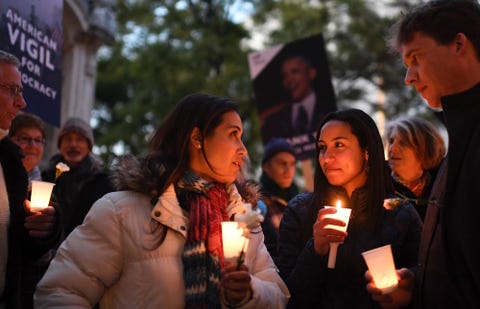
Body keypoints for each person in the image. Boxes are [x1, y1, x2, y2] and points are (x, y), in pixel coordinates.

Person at [35, 93, 289, 308]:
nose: (243, 149)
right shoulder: (121, 212)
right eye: (233, 134)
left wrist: (249, 292)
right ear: (197, 139)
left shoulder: (242, 217)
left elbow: (278, 294)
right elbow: (60, 292)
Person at [365, 1, 480, 308]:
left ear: (458, 44)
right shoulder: (460, 138)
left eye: (415, 58)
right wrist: (418, 285)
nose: (409, 77)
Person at [277, 109, 422, 308]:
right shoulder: (299, 210)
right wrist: (316, 250)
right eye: (322, 147)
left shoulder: (399, 212)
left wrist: (408, 284)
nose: (326, 158)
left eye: (339, 145)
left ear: (367, 152)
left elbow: (427, 279)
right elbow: (285, 297)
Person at [0, 50, 59, 308]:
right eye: (12, 89)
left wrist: (47, 227)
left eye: (38, 140)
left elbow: (17, 249)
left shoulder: (9, 161)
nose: (22, 102)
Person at [41, 117, 114, 237]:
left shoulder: (102, 182)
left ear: (89, 146)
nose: (73, 144)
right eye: (68, 139)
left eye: (79, 139)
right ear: (60, 144)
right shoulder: (46, 178)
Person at [261, 54, 336, 142]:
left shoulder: (331, 111)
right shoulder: (273, 120)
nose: (289, 80)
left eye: (294, 72)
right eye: (285, 75)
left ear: (311, 73)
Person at [386, 117, 446, 220]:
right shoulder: (379, 184)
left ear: (423, 150)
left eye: (403, 143)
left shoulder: (442, 184)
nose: (392, 148)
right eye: (391, 141)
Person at [259, 137, 299, 260]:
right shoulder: (258, 203)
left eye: (292, 164)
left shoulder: (300, 199)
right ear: (266, 167)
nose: (288, 170)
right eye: (282, 163)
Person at [8, 113, 46, 185]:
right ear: (8, 141)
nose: (33, 146)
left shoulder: (42, 184)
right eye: (24, 138)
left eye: (38, 140)